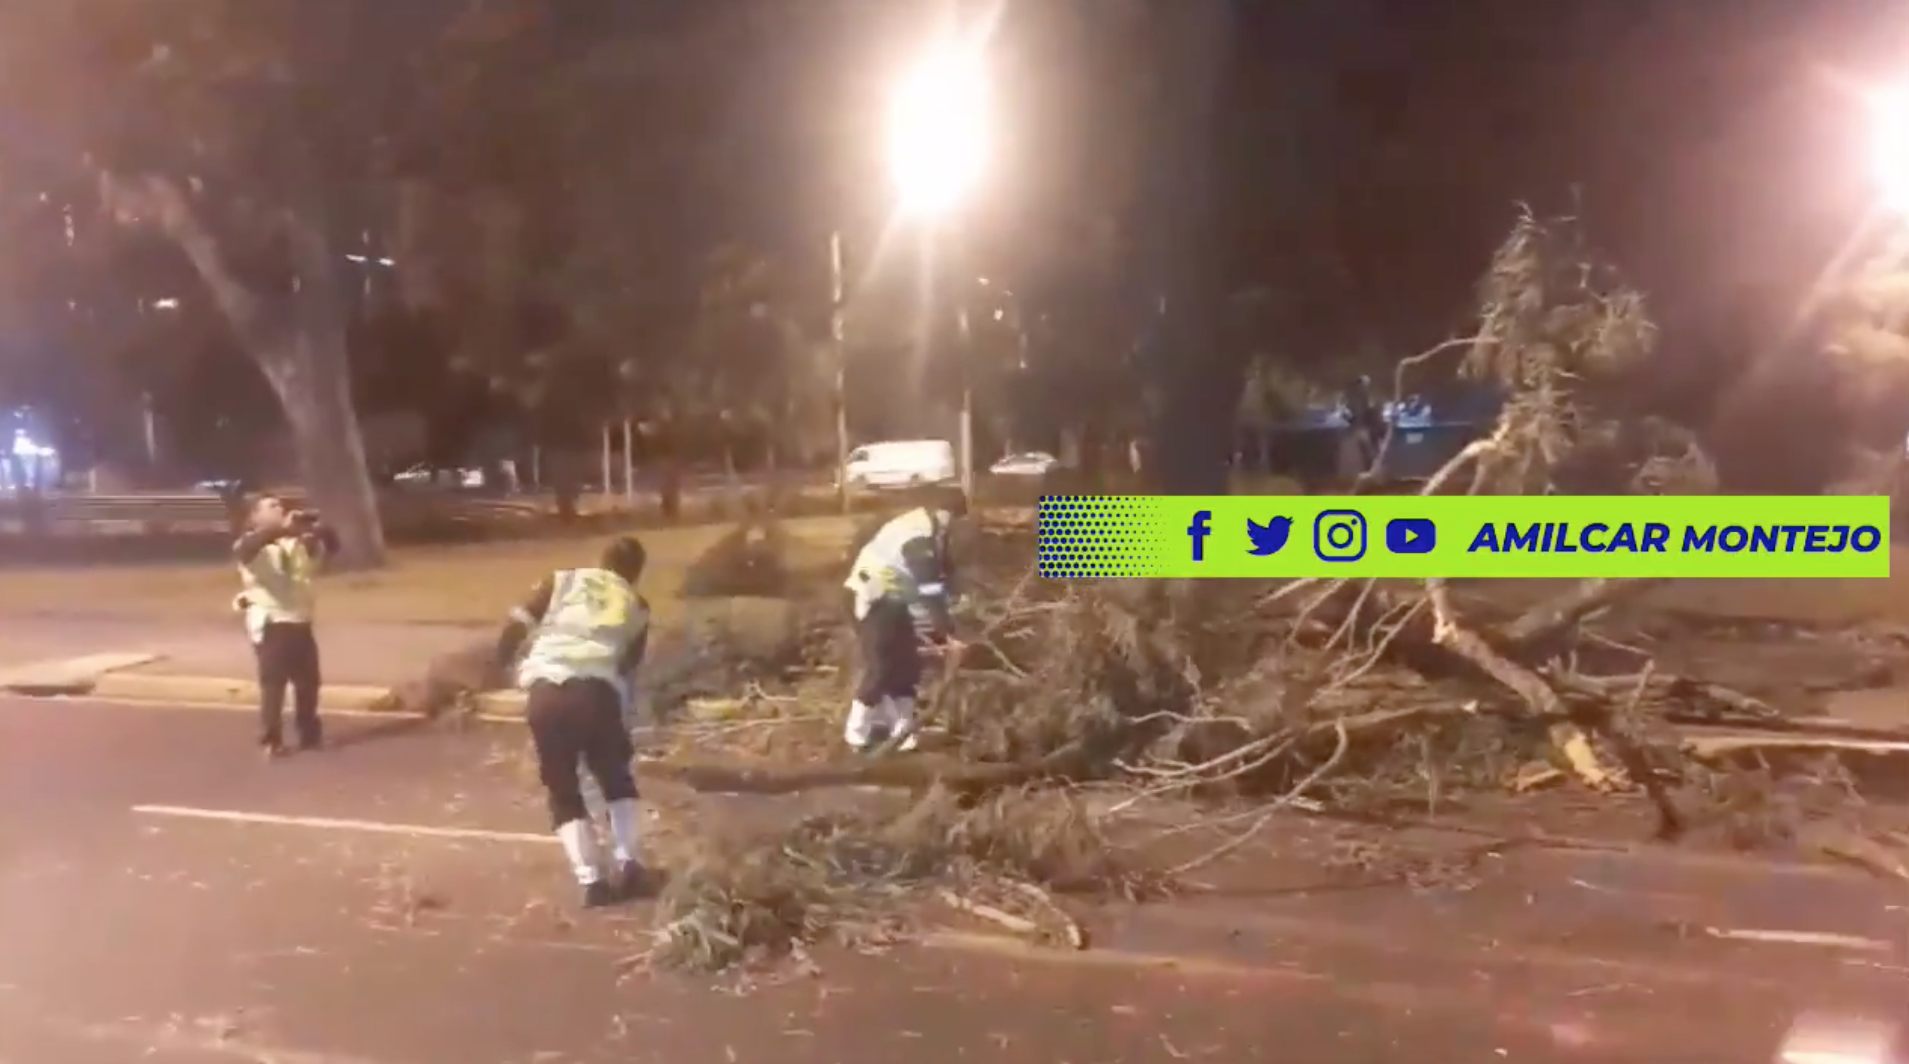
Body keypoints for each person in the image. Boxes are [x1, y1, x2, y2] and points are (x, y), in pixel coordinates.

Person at [493, 536, 651, 908]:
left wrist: (499, 662)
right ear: (636, 574)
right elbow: (628, 665)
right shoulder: (637, 605)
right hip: (596, 692)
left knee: (563, 790)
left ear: (600, 559)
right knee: (616, 780)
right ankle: (629, 863)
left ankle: (592, 882)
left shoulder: (561, 580)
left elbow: (517, 624)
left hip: (547, 694)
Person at [841, 488, 966, 753]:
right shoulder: (918, 537)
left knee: (907, 668)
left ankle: (903, 733)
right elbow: (929, 588)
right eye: (957, 520)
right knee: (882, 667)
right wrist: (947, 633)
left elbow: (942, 573)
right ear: (947, 515)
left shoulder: (927, 527)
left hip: (894, 602)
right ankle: (856, 736)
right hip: (872, 600)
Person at [232, 494, 339, 759]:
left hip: (300, 620)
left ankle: (309, 735)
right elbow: (246, 551)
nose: (279, 507)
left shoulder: (295, 543)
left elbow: (328, 551)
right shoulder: (252, 543)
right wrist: (283, 529)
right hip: (272, 622)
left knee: (309, 683)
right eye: (271, 505)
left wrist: (320, 531)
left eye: (280, 504)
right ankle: (271, 740)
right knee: (274, 685)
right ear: (254, 516)